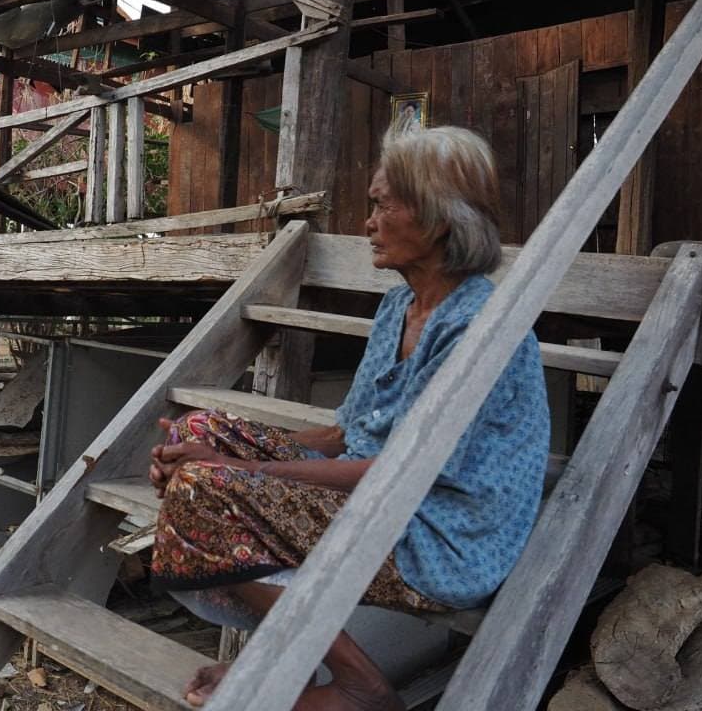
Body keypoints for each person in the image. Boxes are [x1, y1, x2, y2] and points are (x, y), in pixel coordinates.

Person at [148, 124, 550, 711]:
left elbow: (400, 474)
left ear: (437, 220)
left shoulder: (479, 329)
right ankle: (286, 659)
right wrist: (218, 453)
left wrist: (230, 474)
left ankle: (362, 686)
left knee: (206, 491)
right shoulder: (398, 306)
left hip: (438, 534)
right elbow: (344, 433)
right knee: (199, 431)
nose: (367, 222)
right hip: (383, 494)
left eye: (382, 205)